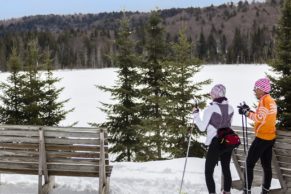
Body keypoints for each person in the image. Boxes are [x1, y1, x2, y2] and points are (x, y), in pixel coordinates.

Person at [193, 84, 234, 194]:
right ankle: (227, 192)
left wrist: (196, 115)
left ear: (215, 94)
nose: (211, 95)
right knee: (226, 168)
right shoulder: (231, 108)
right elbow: (228, 125)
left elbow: (202, 128)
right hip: (228, 141)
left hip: (216, 142)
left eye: (212, 93)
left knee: (208, 172)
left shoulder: (210, 109)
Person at [238, 78, 277, 194]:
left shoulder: (266, 101)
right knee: (266, 166)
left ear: (262, 89)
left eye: (256, 88)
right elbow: (263, 115)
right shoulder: (270, 101)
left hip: (262, 138)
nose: (254, 91)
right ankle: (265, 190)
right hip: (270, 138)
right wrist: (249, 110)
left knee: (249, 164)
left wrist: (246, 113)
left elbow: (260, 118)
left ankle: (247, 191)